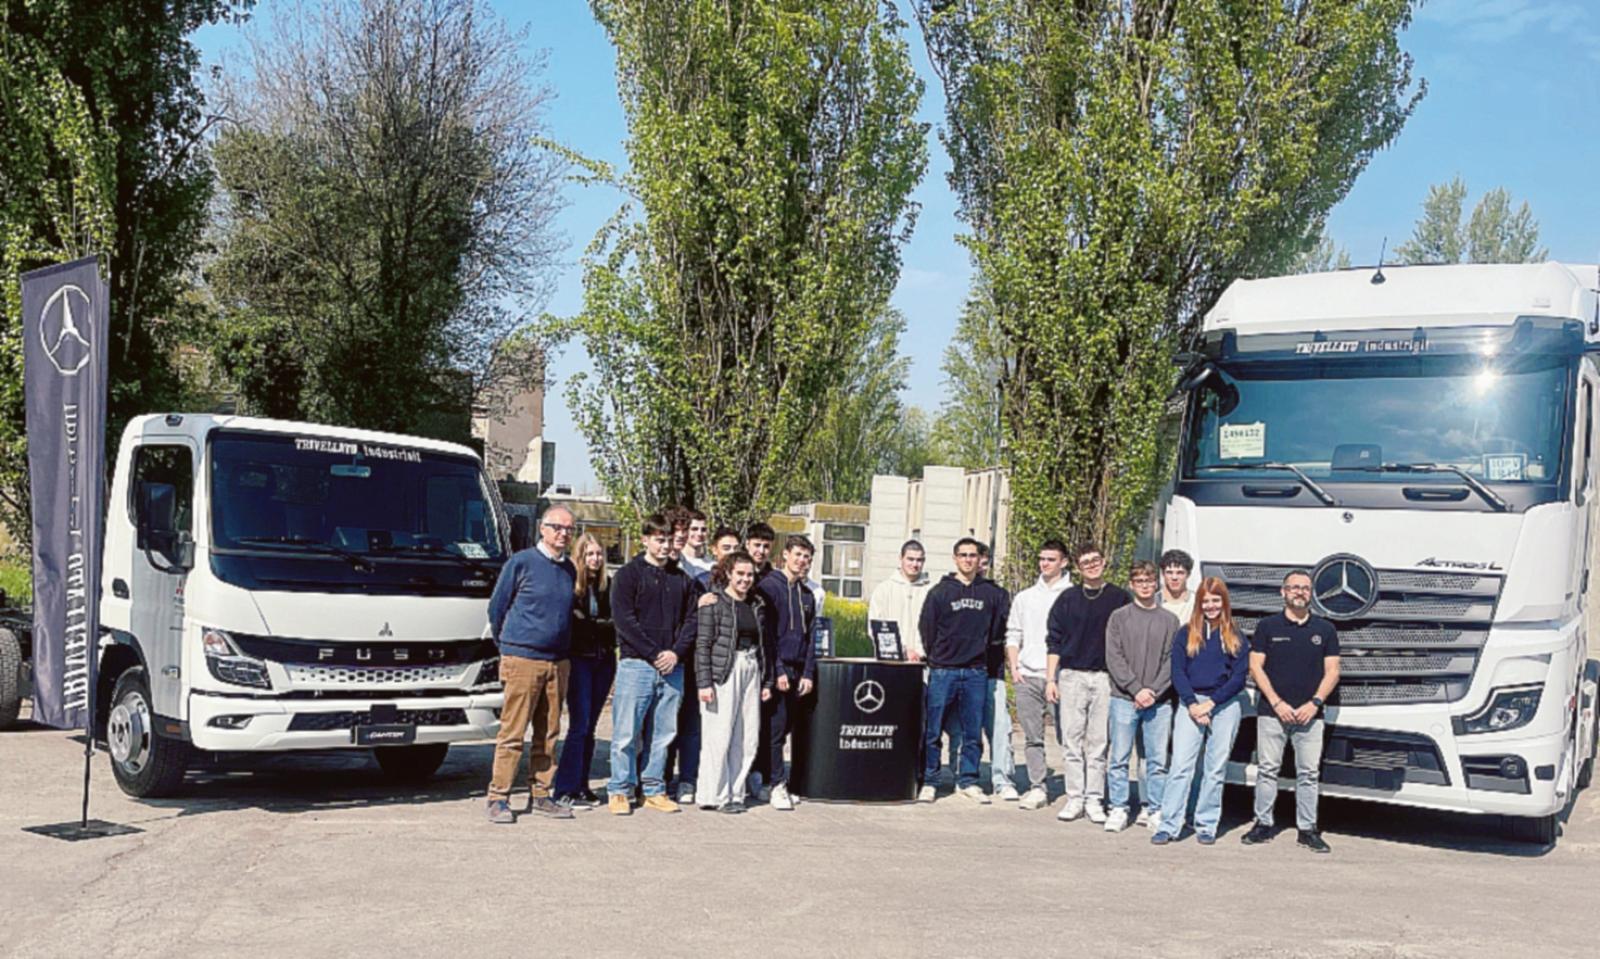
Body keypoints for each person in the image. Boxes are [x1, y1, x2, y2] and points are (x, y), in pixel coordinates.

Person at [484, 506, 577, 824]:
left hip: (557, 663)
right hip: (522, 659)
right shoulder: (521, 563)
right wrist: (510, 648)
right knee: (512, 734)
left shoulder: (569, 570)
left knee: (549, 734)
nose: (563, 533)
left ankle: (541, 794)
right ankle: (499, 797)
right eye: (557, 527)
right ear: (542, 528)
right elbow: (497, 607)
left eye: (568, 529)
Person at [1242, 569, 1342, 853]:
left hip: (1311, 716)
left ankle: (1307, 829)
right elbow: (1255, 667)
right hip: (1272, 712)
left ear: (1311, 594)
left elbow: (1333, 671)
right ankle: (1263, 824)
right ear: (1283, 592)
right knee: (1267, 770)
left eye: (1305, 588)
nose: (1299, 592)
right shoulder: (1267, 627)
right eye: (1294, 587)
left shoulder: (1325, 630)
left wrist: (1315, 703)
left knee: (1309, 773)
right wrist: (1276, 702)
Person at [606, 513, 697, 815]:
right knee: (626, 732)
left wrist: (675, 653)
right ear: (645, 539)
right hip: (637, 665)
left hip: (673, 667)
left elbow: (691, 621)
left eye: (669, 540)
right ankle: (620, 788)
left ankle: (653, 788)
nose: (664, 545)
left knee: (664, 733)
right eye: (659, 539)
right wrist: (654, 653)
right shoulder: (628, 575)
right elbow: (624, 621)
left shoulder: (681, 579)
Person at [1152, 577, 1249, 845]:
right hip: (1190, 703)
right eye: (1206, 601)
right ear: (1199, 603)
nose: (1211, 606)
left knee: (1215, 769)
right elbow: (1178, 671)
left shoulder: (1236, 636)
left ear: (1224, 602)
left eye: (1216, 600)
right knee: (1181, 766)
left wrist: (1212, 703)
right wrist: (1193, 704)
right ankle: (1169, 824)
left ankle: (1205, 824)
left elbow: (1239, 677)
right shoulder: (1186, 633)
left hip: (1224, 705)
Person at [918, 537, 1009, 804]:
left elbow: (996, 631)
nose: (968, 559)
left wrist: (977, 653)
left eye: (973, 555)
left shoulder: (991, 594)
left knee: (972, 731)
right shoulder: (940, 592)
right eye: (963, 555)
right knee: (933, 729)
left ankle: (967, 780)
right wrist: (938, 658)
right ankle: (930, 780)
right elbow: (927, 629)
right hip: (943, 671)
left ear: (979, 559)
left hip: (975, 672)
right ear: (955, 558)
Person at [1045, 545, 1130, 823]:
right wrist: (1051, 679)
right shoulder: (1067, 599)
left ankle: (1094, 798)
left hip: (1105, 678)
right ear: (1078, 569)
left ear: (1104, 562)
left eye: (1096, 560)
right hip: (1071, 676)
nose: (1092, 566)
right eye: (1086, 563)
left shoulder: (1119, 598)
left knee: (1098, 742)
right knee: (1071, 740)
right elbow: (1054, 641)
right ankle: (1074, 798)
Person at [695, 550, 775, 813]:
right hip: (724, 671)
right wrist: (704, 683)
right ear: (728, 573)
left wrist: (766, 681)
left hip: (751, 667)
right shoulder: (714, 602)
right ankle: (714, 795)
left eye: (750, 574)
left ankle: (736, 792)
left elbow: (765, 645)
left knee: (747, 735)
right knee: (719, 735)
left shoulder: (757, 604)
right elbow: (703, 645)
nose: (745, 579)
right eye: (740, 574)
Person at [1103, 560, 1176, 833]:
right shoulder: (1119, 617)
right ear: (1131, 585)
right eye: (1139, 581)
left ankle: (1155, 809)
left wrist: (1153, 692)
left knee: (1157, 761)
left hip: (1159, 701)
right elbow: (1114, 656)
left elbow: (1171, 660)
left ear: (1156, 583)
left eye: (1149, 580)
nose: (1145, 585)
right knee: (1120, 758)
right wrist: (1135, 688)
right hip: (1123, 698)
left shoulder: (1170, 620)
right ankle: (1119, 808)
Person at [1005, 539, 1072, 810]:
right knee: (1033, 737)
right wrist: (1014, 668)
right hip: (1028, 675)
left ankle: (1078, 791)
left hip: (1061, 676)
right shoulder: (1025, 597)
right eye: (1042, 558)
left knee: (1069, 737)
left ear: (1063, 562)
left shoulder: (1072, 595)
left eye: (1051, 559)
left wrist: (1056, 676)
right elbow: (1013, 633)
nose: (1045, 564)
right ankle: (1037, 787)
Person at [552, 532, 616, 809]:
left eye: (599, 554)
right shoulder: (571, 585)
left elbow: (615, 621)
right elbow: (578, 622)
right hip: (579, 660)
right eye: (590, 553)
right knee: (578, 726)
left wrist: (601, 624)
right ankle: (564, 787)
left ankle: (582, 784)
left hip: (603, 660)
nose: (595, 559)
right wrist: (601, 624)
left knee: (590, 726)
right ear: (580, 556)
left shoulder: (607, 586)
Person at [755, 534, 818, 811]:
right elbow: (767, 635)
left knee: (787, 728)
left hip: (798, 672)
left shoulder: (807, 595)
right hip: (776, 671)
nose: (802, 561)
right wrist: (777, 670)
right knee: (775, 730)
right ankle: (776, 784)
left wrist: (807, 673)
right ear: (785, 555)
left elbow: (811, 637)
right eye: (798, 555)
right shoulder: (769, 587)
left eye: (807, 557)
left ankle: (771, 780)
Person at [950, 542, 1016, 801]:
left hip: (991, 672)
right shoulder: (957, 593)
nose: (980, 566)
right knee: (961, 728)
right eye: (977, 561)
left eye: (984, 562)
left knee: (999, 726)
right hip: (960, 671)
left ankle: (1003, 780)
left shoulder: (998, 595)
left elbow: (1006, 631)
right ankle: (961, 776)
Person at [661, 506, 703, 806]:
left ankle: (685, 779)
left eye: (683, 535)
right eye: (674, 535)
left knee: (688, 723)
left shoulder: (697, 575)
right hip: (660, 659)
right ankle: (657, 780)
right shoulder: (652, 568)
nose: (680, 540)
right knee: (659, 726)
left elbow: (694, 620)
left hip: (688, 659)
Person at [743, 521, 778, 799]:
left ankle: (759, 775)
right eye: (757, 545)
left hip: (764, 661)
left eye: (766, 546)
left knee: (762, 724)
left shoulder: (773, 580)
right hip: (738, 657)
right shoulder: (739, 573)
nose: (761, 550)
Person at [867, 539, 929, 662]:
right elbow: (875, 628)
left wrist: (920, 652)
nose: (915, 564)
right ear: (901, 558)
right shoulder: (883, 590)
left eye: (919, 560)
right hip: (891, 662)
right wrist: (903, 650)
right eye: (910, 559)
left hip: (924, 663)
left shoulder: (932, 591)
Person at [1160, 549, 1195, 624]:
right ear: (1163, 574)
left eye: (1180, 573)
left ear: (1188, 574)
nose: (1174, 577)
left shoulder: (1197, 602)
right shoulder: (1153, 601)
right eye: (1169, 572)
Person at [678, 508, 714, 578]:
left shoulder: (712, 564)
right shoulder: (678, 562)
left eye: (703, 530)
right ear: (684, 531)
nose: (699, 533)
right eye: (694, 529)